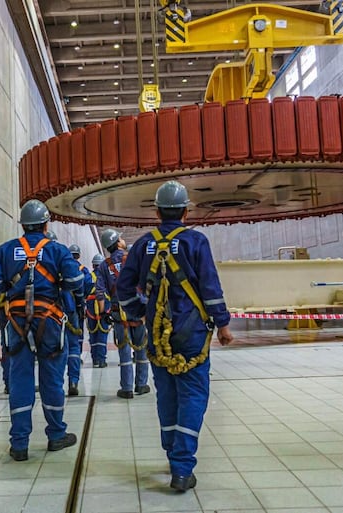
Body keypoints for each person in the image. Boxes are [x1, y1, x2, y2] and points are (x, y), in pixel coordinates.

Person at [116, 180, 233, 492]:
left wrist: (138, 313)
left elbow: (124, 288)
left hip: (157, 335)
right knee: (193, 395)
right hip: (192, 333)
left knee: (166, 394)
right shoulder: (196, 242)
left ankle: (173, 455)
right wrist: (222, 324)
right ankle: (182, 468)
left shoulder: (143, 245)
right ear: (186, 211)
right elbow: (209, 287)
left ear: (157, 211)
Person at [0, 200, 83, 461]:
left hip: (15, 322)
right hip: (49, 321)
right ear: (45, 223)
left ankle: (19, 444)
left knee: (20, 380)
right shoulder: (57, 251)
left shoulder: (5, 251)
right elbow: (75, 281)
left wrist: (9, 290)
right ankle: (55, 435)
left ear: (23, 225)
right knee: (52, 378)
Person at [95, 229, 150, 399]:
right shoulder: (133, 259)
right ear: (117, 242)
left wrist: (104, 312)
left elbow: (99, 291)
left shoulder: (104, 266)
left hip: (119, 313)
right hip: (138, 311)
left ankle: (126, 388)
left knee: (124, 351)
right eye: (120, 238)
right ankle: (141, 385)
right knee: (141, 348)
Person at [65, 244, 93, 396]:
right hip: (73, 309)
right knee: (74, 345)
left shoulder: (57, 264)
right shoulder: (82, 269)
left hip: (52, 311)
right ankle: (73, 381)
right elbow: (88, 285)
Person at [86, 253, 110, 368]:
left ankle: (95, 359)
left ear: (93, 265)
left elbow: (83, 291)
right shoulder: (106, 276)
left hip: (90, 305)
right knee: (103, 331)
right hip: (104, 304)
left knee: (93, 332)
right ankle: (101, 359)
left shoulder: (88, 276)